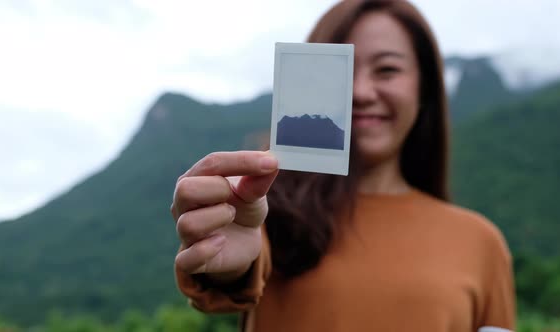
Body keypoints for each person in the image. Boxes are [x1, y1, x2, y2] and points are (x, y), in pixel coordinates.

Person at [170, 0, 516, 331]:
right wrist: (220, 252)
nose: (361, 91)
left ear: (424, 89)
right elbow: (234, 274)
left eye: (387, 70)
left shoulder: (481, 243)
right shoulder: (264, 213)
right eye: (341, 71)